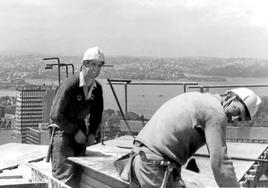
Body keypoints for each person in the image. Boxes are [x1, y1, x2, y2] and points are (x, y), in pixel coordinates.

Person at [120, 88, 261, 188]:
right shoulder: (216, 112)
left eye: (239, 119)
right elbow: (221, 165)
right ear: (230, 97)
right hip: (154, 166)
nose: (234, 118)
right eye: (237, 110)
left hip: (140, 160)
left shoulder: (200, 98)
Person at [49, 46, 105, 187]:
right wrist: (74, 131)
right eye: (93, 64)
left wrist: (92, 133)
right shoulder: (70, 85)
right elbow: (56, 115)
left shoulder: (97, 89)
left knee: (79, 171)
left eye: (99, 65)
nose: (96, 68)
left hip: (80, 130)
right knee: (65, 174)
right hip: (62, 130)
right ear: (84, 65)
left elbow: (96, 115)